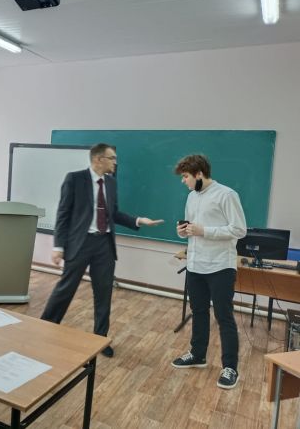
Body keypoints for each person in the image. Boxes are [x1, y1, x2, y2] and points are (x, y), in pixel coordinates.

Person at [40, 143, 164, 357]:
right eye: (112, 158)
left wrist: (138, 220)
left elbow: (113, 213)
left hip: (104, 244)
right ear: (98, 159)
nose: (115, 162)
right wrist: (58, 246)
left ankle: (100, 339)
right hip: (80, 243)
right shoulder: (75, 179)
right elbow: (62, 214)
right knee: (66, 288)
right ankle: (45, 326)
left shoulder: (111, 183)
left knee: (104, 293)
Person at [171, 154, 246, 390]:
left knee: (224, 316)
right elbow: (192, 228)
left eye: (185, 176)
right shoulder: (191, 197)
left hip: (220, 266)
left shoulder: (227, 194)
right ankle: (197, 354)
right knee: (199, 312)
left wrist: (203, 231)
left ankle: (230, 367)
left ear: (199, 174)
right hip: (195, 265)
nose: (183, 181)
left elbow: (239, 229)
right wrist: (183, 231)